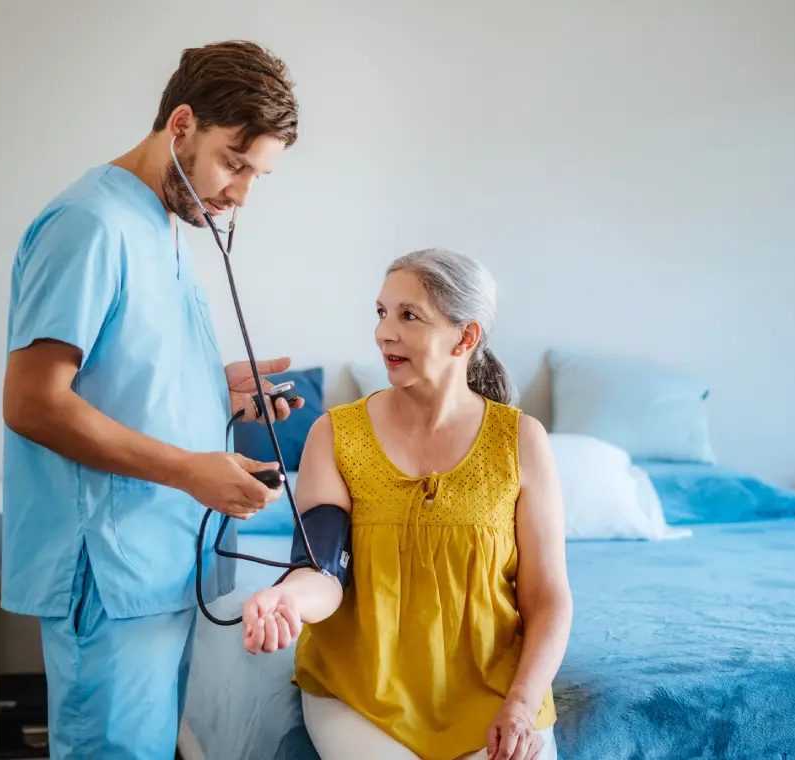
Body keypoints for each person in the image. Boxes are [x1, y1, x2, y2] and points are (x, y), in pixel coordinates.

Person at [0, 41, 303, 759]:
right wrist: (190, 469)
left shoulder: (162, 222)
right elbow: (34, 402)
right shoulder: (90, 225)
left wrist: (216, 391)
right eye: (234, 163)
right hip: (112, 571)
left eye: (257, 175)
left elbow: (125, 374)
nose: (241, 194)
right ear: (182, 125)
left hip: (166, 562)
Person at [241, 249, 574, 760]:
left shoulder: (521, 441)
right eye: (381, 313)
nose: (383, 333)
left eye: (408, 316)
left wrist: (523, 705)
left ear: (466, 338)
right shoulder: (334, 434)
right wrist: (286, 599)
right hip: (361, 688)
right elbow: (322, 571)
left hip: (496, 690)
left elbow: (547, 598)